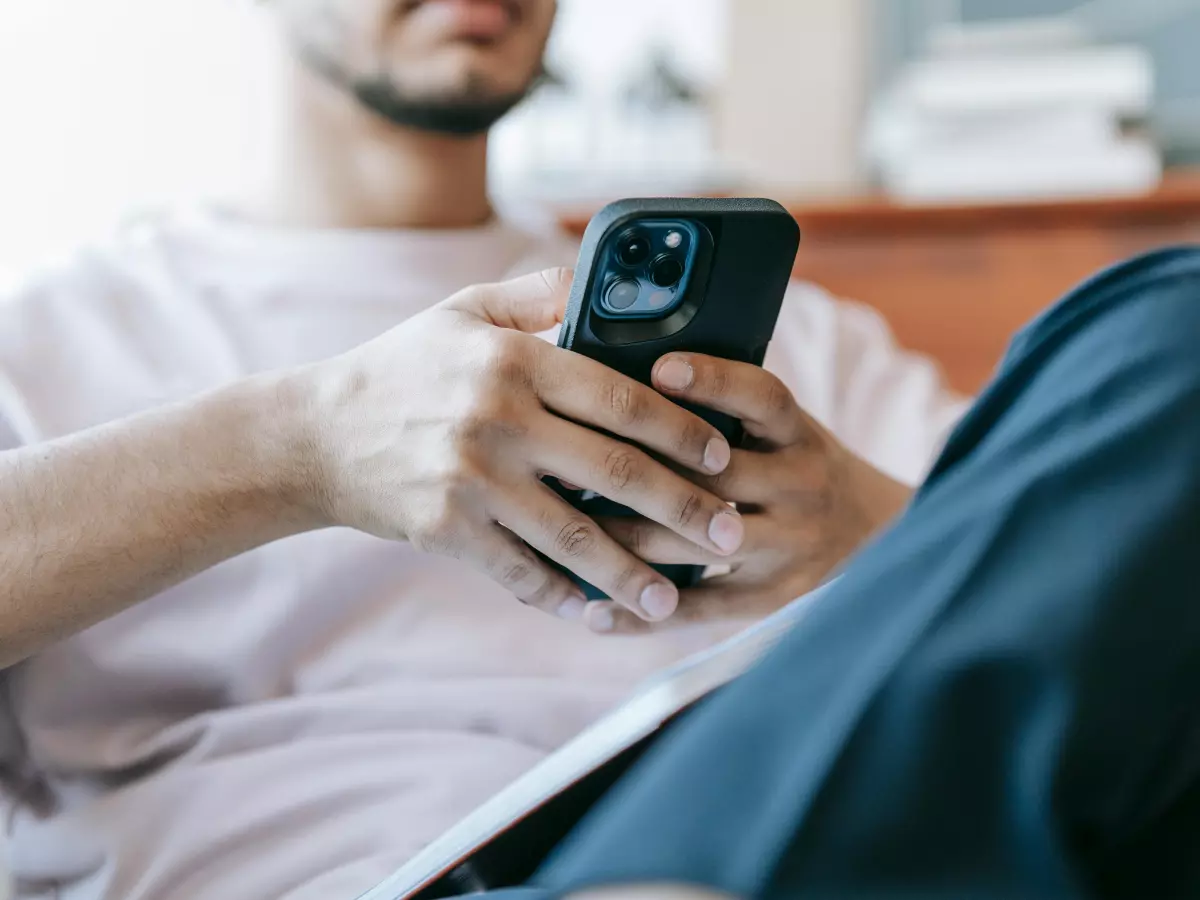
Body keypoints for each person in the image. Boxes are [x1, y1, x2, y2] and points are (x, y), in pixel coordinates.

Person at [0, 1, 964, 897]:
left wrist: (868, 522)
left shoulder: (787, 348)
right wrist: (301, 449)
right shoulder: (50, 348)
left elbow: (1077, 569)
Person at [478, 246, 1200, 900]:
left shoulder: (801, 327)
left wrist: (882, 542)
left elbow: (1083, 554)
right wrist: (355, 461)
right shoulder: (363, 376)